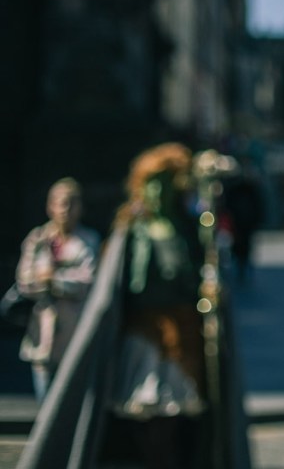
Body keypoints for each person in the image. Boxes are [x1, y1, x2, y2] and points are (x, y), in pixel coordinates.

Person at [102, 142, 209, 468]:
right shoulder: (131, 229)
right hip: (143, 328)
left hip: (181, 330)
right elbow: (116, 282)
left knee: (174, 413)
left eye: (162, 184)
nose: (155, 192)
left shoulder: (187, 228)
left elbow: (197, 275)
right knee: (143, 409)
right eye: (150, 184)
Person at [16, 177, 100, 401]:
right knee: (46, 401)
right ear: (50, 206)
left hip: (75, 334)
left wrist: (53, 280)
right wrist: (47, 281)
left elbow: (87, 282)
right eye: (61, 203)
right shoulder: (37, 239)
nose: (66, 210)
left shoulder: (88, 241)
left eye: (72, 204)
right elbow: (25, 281)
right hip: (42, 335)